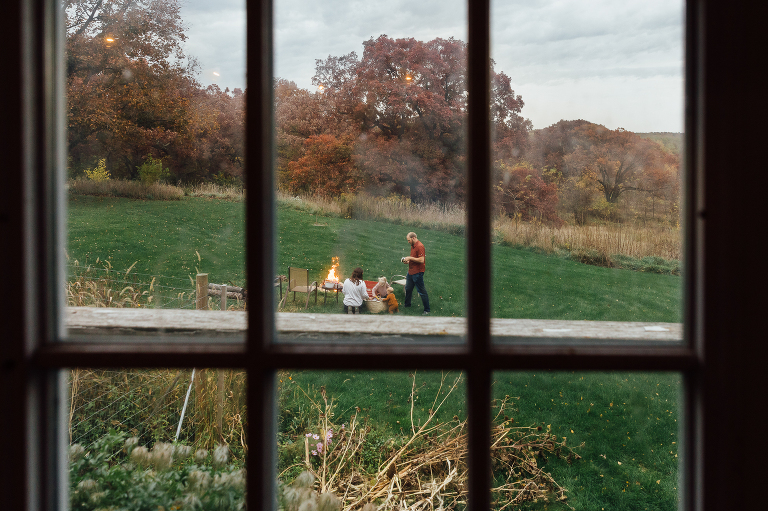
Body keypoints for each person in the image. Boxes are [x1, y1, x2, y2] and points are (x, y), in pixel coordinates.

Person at [402, 232, 430, 315]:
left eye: (409, 240)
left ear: (413, 238)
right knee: (408, 288)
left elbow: (421, 260)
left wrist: (410, 258)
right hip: (411, 271)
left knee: (421, 291)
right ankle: (407, 305)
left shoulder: (420, 246)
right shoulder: (413, 245)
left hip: (417, 273)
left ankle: (427, 310)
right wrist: (408, 261)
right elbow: (415, 258)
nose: (408, 242)